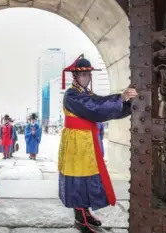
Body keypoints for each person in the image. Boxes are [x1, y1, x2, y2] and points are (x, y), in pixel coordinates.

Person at [58, 54, 137, 233]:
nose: (86, 78)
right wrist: (120, 98)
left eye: (88, 75)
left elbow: (100, 106)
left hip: (87, 142)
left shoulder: (87, 93)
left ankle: (86, 213)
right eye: (82, 75)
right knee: (78, 179)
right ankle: (80, 219)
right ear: (75, 77)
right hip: (76, 144)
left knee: (87, 179)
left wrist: (126, 103)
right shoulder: (72, 94)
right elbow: (94, 107)